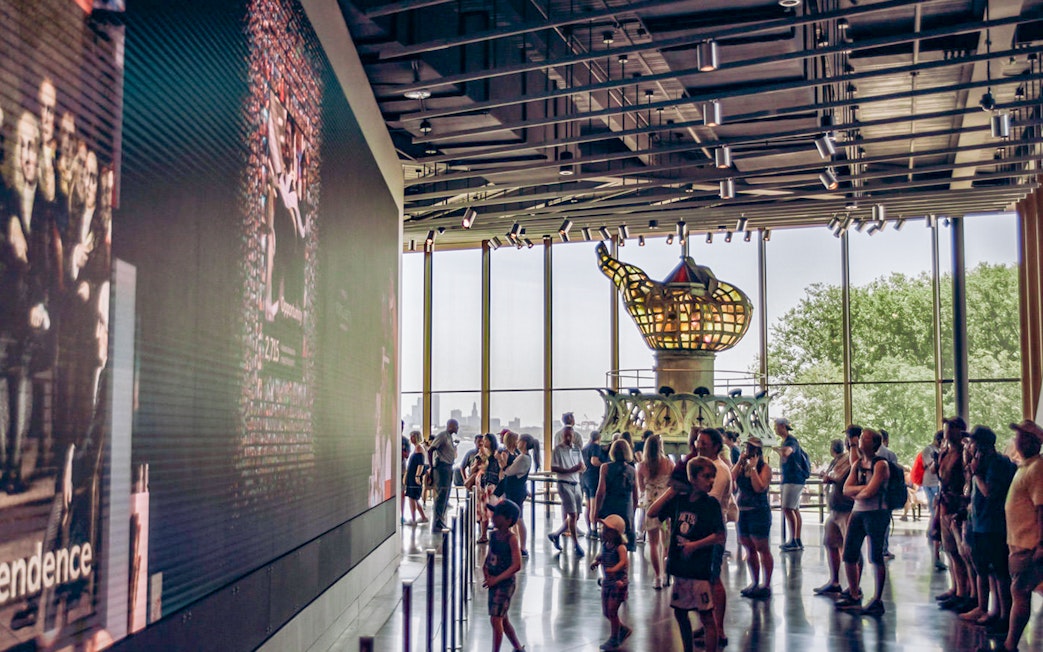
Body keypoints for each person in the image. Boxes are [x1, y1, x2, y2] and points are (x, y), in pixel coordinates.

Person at [2, 111, 60, 495]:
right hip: (5, 304)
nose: (26, 153)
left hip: (28, 310)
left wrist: (37, 304)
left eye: (32, 146)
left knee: (20, 375)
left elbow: (42, 263)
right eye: (21, 144)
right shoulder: (4, 198)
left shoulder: (42, 205)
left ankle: (12, 470)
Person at [647, 457, 726, 652]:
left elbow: (719, 535)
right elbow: (652, 512)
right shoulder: (679, 501)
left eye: (712, 477)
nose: (711, 481)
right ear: (693, 478)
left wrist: (695, 545)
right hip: (680, 568)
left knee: (707, 615)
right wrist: (671, 491)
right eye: (706, 476)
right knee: (680, 613)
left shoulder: (711, 504)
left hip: (699, 569)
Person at [960, 426, 1016, 631]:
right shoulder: (982, 462)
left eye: (972, 442)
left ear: (982, 444)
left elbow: (989, 492)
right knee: (985, 570)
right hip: (980, 524)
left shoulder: (997, 464)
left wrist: (976, 474)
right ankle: (989, 610)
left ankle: (1004, 616)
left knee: (999, 572)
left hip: (994, 525)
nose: (969, 446)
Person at [996, 420, 1043, 652]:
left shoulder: (1037, 469)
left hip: (1029, 544)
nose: (1016, 440)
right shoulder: (1025, 467)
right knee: (1020, 591)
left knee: (1020, 592)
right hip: (1019, 543)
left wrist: (1041, 544)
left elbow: (1041, 508)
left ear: (1032, 442)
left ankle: (1009, 645)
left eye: (1021, 437)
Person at [836, 427, 890, 616]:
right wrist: (862, 489)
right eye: (861, 439)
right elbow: (845, 489)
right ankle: (853, 593)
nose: (860, 442)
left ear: (874, 444)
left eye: (865, 439)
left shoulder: (881, 464)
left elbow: (871, 491)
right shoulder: (858, 463)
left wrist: (858, 491)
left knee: (875, 556)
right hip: (858, 511)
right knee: (849, 554)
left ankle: (877, 599)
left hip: (876, 513)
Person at [695, 428, 733, 647]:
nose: (699, 446)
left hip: (712, 530)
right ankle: (708, 622)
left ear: (716, 446)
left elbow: (709, 499)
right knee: (705, 579)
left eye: (704, 443)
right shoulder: (708, 466)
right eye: (698, 441)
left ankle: (718, 628)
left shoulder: (719, 469)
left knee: (713, 577)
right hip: (703, 529)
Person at [814, 427, 859, 596]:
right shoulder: (841, 458)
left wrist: (831, 477)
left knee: (850, 548)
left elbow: (845, 473)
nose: (848, 442)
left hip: (847, 508)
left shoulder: (855, 456)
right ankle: (835, 581)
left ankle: (854, 587)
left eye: (850, 438)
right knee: (830, 542)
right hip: (835, 507)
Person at [936, 416, 974, 612]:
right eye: (945, 428)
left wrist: (962, 507)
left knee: (961, 553)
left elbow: (968, 481)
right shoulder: (945, 452)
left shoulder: (964, 454)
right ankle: (956, 588)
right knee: (950, 551)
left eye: (950, 429)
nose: (946, 432)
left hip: (956, 507)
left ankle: (966, 592)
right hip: (944, 505)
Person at [732, 436, 774, 599]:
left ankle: (767, 584)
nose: (748, 451)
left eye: (751, 449)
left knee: (762, 548)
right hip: (743, 511)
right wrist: (740, 462)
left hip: (759, 511)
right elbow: (731, 478)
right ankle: (755, 581)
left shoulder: (765, 468)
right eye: (747, 448)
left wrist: (754, 469)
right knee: (748, 547)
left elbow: (759, 487)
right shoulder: (742, 465)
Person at [482, 500, 525, 652]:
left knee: (496, 619)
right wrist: (486, 571)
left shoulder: (511, 539)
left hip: (505, 584)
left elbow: (516, 564)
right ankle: (518, 647)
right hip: (494, 581)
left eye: (498, 515)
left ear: (508, 520)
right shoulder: (494, 536)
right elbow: (490, 556)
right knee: (502, 618)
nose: (494, 517)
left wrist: (497, 579)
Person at [637, 433, 673, 588]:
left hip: (651, 506)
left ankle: (658, 577)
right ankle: (667, 576)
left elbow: (641, 488)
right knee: (667, 543)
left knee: (652, 543)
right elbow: (672, 484)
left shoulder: (642, 466)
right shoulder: (668, 463)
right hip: (666, 506)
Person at [591, 514, 631, 650]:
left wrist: (614, 569)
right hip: (608, 582)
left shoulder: (620, 547)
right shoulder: (605, 545)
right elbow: (602, 555)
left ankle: (614, 638)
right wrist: (596, 561)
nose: (603, 531)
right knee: (607, 612)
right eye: (603, 529)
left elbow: (623, 561)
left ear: (616, 533)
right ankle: (621, 629)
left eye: (607, 530)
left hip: (618, 583)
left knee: (612, 611)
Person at [594, 439, 639, 553]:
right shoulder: (633, 471)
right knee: (623, 544)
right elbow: (635, 495)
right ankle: (622, 566)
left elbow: (601, 491)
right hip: (626, 509)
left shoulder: (605, 467)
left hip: (610, 507)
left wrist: (595, 512)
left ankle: (608, 565)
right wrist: (632, 512)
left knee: (609, 541)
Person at [549, 425, 585, 557]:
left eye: (571, 435)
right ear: (563, 436)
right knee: (573, 515)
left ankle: (556, 534)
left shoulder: (577, 450)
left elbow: (582, 465)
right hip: (564, 483)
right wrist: (571, 470)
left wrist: (580, 468)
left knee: (576, 515)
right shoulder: (557, 450)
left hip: (576, 483)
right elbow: (554, 468)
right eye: (567, 435)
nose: (569, 438)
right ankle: (576, 544)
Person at [497, 432, 533, 557]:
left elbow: (509, 471)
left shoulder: (522, 457)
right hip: (515, 490)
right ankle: (516, 544)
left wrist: (502, 464)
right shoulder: (523, 456)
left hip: (514, 491)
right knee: (515, 519)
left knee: (518, 518)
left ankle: (521, 546)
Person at [776, 417, 808, 551]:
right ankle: (796, 539)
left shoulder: (791, 441)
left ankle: (794, 540)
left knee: (788, 508)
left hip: (793, 479)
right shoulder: (788, 441)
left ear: (783, 426)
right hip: (793, 479)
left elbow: (787, 452)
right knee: (793, 509)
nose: (775, 429)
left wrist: (777, 450)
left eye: (776, 426)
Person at [921, 430, 945, 571]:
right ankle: (933, 534)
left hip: (937, 483)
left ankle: (933, 534)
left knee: (935, 511)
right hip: (931, 483)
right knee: (934, 510)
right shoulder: (929, 450)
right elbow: (932, 468)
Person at [429, 419, 459, 530]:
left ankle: (440, 520)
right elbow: (431, 450)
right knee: (441, 495)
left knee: (445, 495)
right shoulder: (442, 436)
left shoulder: (450, 437)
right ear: (451, 426)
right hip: (442, 468)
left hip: (448, 468)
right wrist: (432, 467)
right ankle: (437, 522)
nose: (457, 428)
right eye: (456, 426)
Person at [581, 430, 605, 536]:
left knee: (588, 505)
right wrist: (604, 465)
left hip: (584, 477)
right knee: (594, 505)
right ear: (599, 438)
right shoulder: (595, 447)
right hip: (593, 477)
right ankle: (595, 529)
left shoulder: (585, 448)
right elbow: (594, 461)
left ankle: (589, 529)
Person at [403, 431, 428, 525]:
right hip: (412, 476)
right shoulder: (417, 448)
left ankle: (413, 519)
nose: (411, 438)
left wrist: (417, 476)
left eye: (412, 437)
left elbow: (420, 464)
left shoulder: (419, 448)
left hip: (414, 477)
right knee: (413, 498)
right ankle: (423, 517)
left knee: (412, 498)